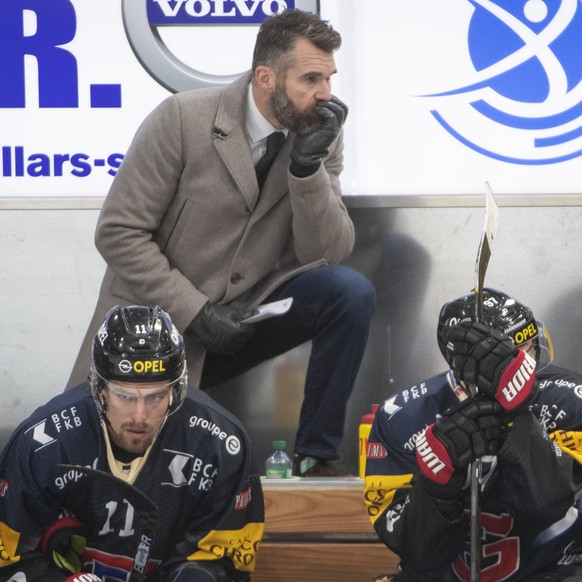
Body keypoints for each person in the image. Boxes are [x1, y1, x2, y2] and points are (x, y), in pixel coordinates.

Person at [66, 8, 375, 478]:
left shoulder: (320, 136)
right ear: (266, 77)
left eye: (329, 79)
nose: (326, 95)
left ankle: (317, 456)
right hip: (160, 325)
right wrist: (195, 311)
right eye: (311, 78)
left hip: (244, 318)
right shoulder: (183, 119)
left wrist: (306, 171)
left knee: (349, 291)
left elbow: (327, 251)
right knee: (94, 472)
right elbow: (118, 232)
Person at [0, 305, 264, 582]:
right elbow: (9, 560)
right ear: (99, 389)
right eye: (124, 396)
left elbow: (228, 562)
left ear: (175, 390)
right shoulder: (43, 443)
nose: (139, 416)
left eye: (155, 397)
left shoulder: (220, 444)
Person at [364, 288, 582, 582]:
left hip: (551, 570)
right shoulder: (400, 417)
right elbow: (417, 552)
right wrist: (437, 489)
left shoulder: (571, 398)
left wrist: (515, 423)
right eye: (509, 356)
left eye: (529, 347)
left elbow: (546, 504)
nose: (527, 363)